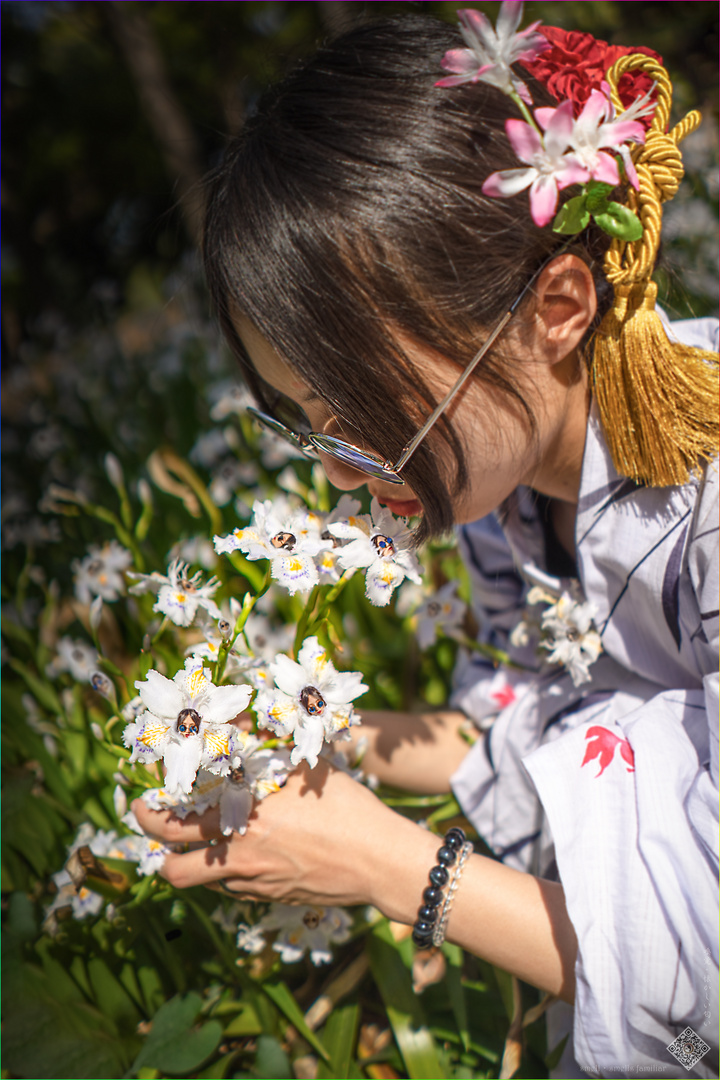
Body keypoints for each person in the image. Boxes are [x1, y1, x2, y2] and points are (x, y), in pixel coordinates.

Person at [133, 8, 719, 1078]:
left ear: (558, 308)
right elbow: (544, 725)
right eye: (297, 418)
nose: (334, 469)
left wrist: (390, 865)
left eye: (359, 410)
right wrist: (306, 735)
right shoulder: (504, 496)